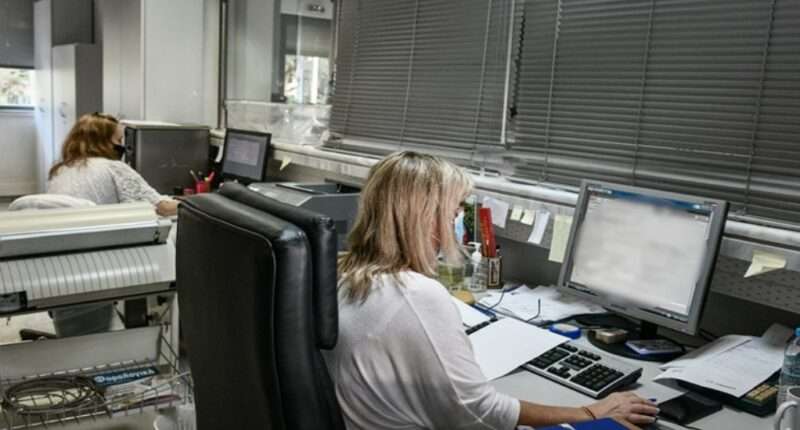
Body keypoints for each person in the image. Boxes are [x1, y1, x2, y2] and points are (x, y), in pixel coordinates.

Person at [325, 152, 659, 430]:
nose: (457, 222)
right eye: (454, 212)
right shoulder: (414, 293)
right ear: (427, 217)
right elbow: (481, 412)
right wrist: (589, 413)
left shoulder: (345, 272)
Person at [47, 113, 179, 216]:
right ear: (103, 142)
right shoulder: (113, 168)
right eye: (119, 140)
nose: (122, 146)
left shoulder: (60, 169)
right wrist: (190, 202)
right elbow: (164, 209)